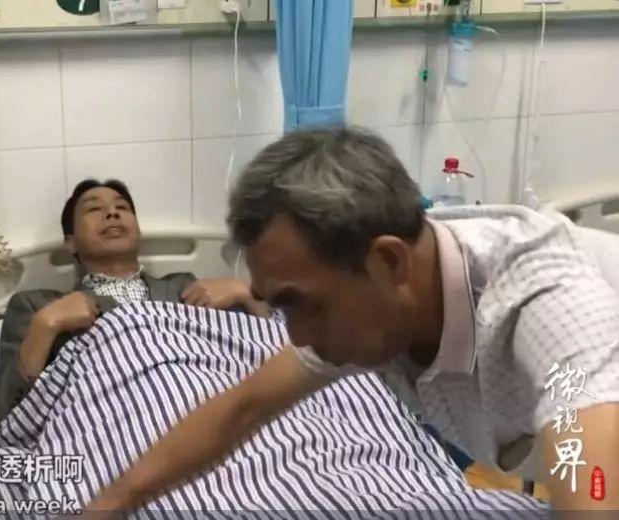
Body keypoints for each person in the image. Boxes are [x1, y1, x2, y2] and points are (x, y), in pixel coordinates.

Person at [86, 127, 619, 513]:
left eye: (304, 305)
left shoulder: (545, 305)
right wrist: (106, 508)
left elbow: (590, 473)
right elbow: (241, 410)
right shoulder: (376, 298)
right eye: (279, 307)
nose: (297, 336)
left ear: (388, 262)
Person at [0, 178, 267, 427]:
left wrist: (244, 293)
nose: (112, 212)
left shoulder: (186, 289)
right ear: (70, 242)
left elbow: (270, 355)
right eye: (94, 209)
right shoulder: (38, 306)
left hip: (205, 420)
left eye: (123, 207)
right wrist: (45, 325)